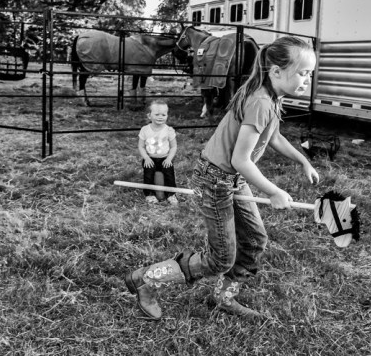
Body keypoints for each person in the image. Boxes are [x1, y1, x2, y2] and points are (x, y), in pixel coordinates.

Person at [125, 36, 320, 320]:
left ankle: (224, 298)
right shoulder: (261, 102)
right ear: (276, 71)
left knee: (253, 240)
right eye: (303, 73)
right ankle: (145, 280)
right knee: (220, 259)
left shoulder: (270, 97)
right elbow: (240, 160)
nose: (307, 80)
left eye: (310, 74)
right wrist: (273, 191)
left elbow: (273, 136)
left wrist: (303, 160)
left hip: (231, 179)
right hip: (215, 180)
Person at [138, 99, 179, 205]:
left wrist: (169, 158)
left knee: (169, 172)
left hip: (164, 158)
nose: (160, 117)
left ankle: (171, 194)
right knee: (148, 172)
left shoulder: (169, 130)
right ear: (149, 116)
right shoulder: (145, 130)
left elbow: (174, 146)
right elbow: (141, 146)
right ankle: (149, 194)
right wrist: (146, 158)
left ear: (167, 115)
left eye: (163, 114)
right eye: (157, 114)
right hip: (150, 158)